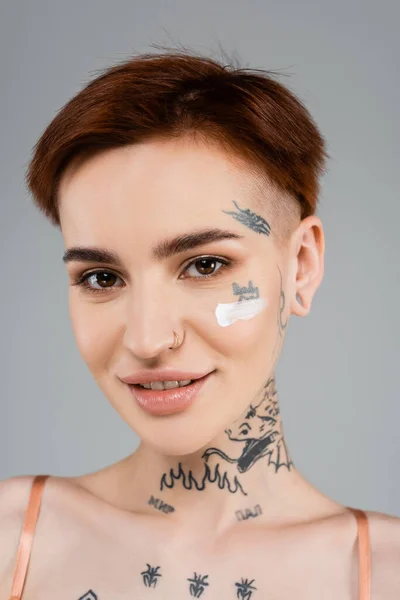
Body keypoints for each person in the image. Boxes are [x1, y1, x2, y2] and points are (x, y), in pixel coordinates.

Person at [1, 48, 399, 600]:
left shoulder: (387, 573)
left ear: (301, 267)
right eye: (101, 278)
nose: (146, 339)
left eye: (205, 265)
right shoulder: (13, 537)